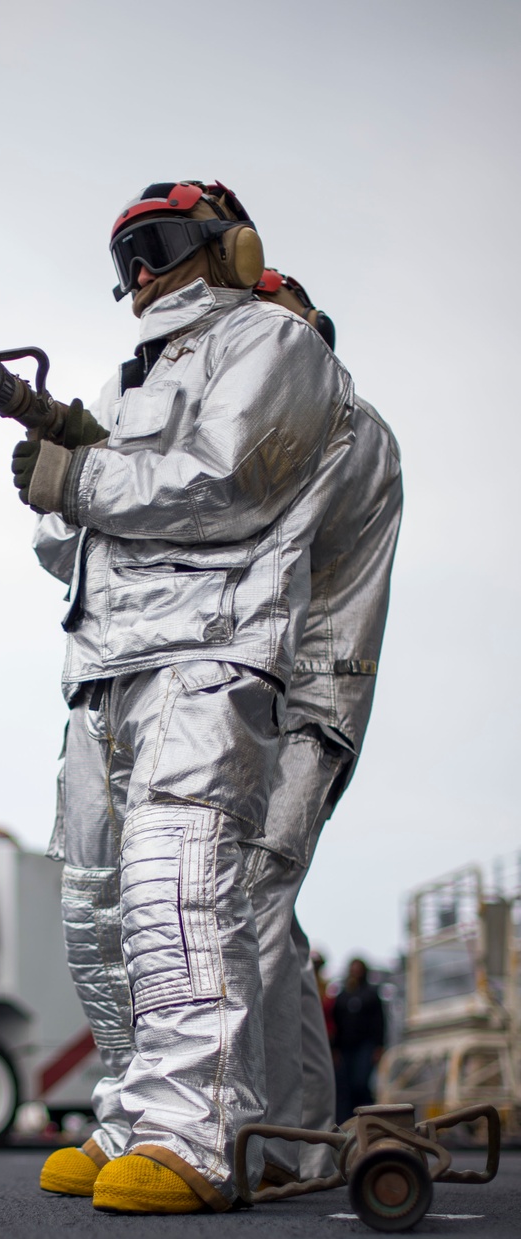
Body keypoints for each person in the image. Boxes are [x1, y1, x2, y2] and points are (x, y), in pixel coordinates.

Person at [20, 181, 355, 1213]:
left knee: (187, 890)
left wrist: (79, 483)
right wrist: (63, 488)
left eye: (161, 244)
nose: (142, 273)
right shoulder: (144, 378)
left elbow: (223, 484)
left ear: (231, 247)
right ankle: (132, 1112)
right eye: (126, 256)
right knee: (97, 905)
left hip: (214, 657)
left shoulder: (271, 342)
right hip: (111, 666)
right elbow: (77, 542)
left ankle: (199, 1131)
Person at [237, 268, 402, 1181]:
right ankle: (303, 1141)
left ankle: (245, 1134)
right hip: (284, 703)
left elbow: (253, 532)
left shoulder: (347, 432)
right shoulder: (318, 428)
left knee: (249, 899)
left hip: (311, 709)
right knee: (278, 917)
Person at [333, 957, 386, 1120]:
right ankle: (348, 1120)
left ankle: (368, 1116)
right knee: (345, 1085)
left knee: (360, 1082)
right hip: (346, 1047)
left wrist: (379, 1046)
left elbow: (380, 1022)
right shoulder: (342, 996)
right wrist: (335, 1048)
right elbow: (336, 1023)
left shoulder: (371, 995)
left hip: (365, 1045)